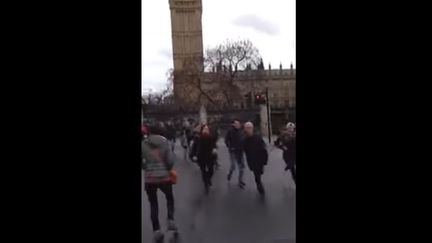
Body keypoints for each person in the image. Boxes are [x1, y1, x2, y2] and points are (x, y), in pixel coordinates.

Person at [142, 124, 178, 242]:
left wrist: (148, 167)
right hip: (164, 177)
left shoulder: (143, 143)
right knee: (169, 197)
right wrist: (167, 169)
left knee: (153, 204)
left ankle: (157, 230)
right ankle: (170, 219)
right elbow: (170, 161)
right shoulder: (164, 142)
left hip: (150, 179)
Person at [243, 122, 268, 195]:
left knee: (259, 171)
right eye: (246, 128)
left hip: (260, 159)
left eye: (249, 128)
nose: (248, 129)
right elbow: (244, 150)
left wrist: (265, 160)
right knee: (256, 174)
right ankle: (259, 184)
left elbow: (264, 149)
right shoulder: (245, 140)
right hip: (252, 160)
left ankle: (259, 182)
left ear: (252, 128)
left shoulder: (258, 138)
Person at [195, 124, 218, 194]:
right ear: (202, 130)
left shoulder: (211, 138)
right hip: (201, 157)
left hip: (210, 157)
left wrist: (214, 150)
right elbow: (194, 148)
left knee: (211, 170)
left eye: (207, 129)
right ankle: (206, 184)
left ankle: (208, 178)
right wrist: (193, 155)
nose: (206, 130)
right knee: (203, 171)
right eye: (204, 129)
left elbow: (214, 146)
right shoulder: (198, 139)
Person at [225, 119, 246, 188]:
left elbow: (243, 140)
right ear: (233, 124)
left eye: (239, 124)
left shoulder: (241, 131)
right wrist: (230, 147)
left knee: (241, 167)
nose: (238, 125)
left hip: (240, 151)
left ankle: (240, 181)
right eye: (237, 124)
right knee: (233, 166)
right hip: (233, 151)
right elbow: (226, 140)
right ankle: (229, 174)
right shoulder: (230, 131)